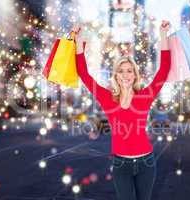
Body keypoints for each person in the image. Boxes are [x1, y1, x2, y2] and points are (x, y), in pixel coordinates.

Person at [73, 20, 171, 200]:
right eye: (121, 71)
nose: (125, 75)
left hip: (146, 163)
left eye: (129, 71)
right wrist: (78, 40)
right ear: (116, 75)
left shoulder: (144, 96)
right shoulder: (107, 98)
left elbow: (164, 70)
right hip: (120, 164)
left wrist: (163, 34)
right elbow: (83, 74)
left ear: (135, 75)